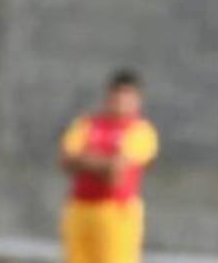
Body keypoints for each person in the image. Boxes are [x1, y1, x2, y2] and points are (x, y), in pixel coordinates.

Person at [59, 70, 159, 263]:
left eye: (126, 95)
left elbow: (115, 174)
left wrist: (85, 160)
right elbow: (66, 159)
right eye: (116, 94)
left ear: (137, 100)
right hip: (80, 208)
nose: (120, 100)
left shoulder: (141, 131)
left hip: (116, 213)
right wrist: (104, 163)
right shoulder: (87, 124)